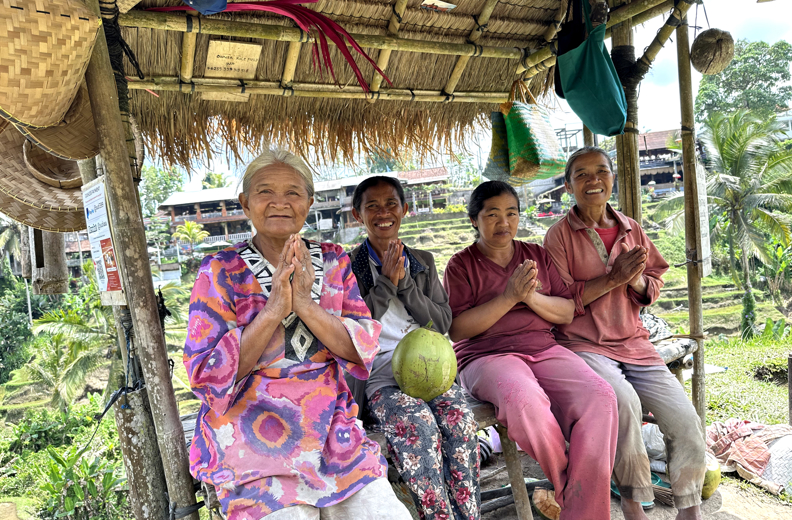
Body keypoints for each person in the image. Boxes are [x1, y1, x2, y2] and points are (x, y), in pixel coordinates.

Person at [183, 149, 412, 520]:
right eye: (264, 192)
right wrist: (274, 309)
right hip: (250, 433)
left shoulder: (334, 260)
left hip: (330, 432)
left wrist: (305, 304)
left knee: (385, 513)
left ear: (308, 202)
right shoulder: (219, 271)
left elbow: (359, 350)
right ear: (245, 203)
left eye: (292, 192)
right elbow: (207, 374)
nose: (279, 202)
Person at [543, 146, 706, 520]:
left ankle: (690, 509)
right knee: (624, 405)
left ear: (612, 178)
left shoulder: (632, 228)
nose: (593, 180)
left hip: (634, 343)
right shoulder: (558, 237)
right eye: (581, 174)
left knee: (684, 417)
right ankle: (634, 506)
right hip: (583, 345)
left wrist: (633, 283)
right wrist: (613, 278)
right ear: (568, 186)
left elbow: (653, 282)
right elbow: (562, 300)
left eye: (601, 171)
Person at [443, 181, 618, 520]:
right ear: (474, 221)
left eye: (511, 213)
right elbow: (458, 329)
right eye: (492, 215)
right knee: (524, 398)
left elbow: (566, 311)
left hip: (543, 348)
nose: (503, 223)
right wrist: (508, 297)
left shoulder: (535, 255)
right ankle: (572, 490)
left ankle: (580, 508)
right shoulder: (461, 265)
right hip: (486, 357)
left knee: (601, 397)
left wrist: (529, 297)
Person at [345, 176, 480, 520]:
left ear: (404, 209)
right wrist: (386, 285)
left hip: (432, 368)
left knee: (460, 421)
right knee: (418, 427)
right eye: (371, 206)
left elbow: (441, 322)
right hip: (380, 375)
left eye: (391, 203)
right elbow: (353, 329)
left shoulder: (422, 261)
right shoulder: (347, 268)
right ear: (357, 215)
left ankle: (469, 515)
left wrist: (405, 285)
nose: (383, 212)